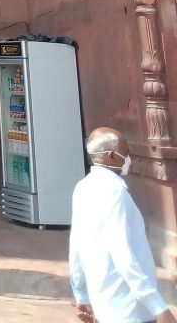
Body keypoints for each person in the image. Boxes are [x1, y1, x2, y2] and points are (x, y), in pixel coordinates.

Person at [69, 125, 174, 323]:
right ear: (111, 156)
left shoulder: (82, 187)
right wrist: (158, 307)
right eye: (125, 152)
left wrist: (81, 295)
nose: (128, 157)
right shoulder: (116, 193)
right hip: (132, 309)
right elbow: (124, 255)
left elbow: (76, 246)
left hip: (105, 306)